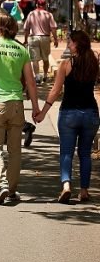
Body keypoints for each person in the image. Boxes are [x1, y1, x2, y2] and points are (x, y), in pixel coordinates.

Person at [0, 14, 40, 205]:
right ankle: (12, 190)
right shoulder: (21, 49)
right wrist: (36, 108)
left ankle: (1, 184)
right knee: (15, 150)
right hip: (17, 103)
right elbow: (31, 82)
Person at [37, 30, 99, 202]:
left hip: (69, 113)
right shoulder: (94, 63)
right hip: (90, 113)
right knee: (85, 153)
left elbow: (56, 91)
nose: (68, 45)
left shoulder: (66, 64)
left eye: (70, 42)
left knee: (66, 152)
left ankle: (66, 185)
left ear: (76, 44)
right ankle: (85, 190)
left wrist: (42, 113)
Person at [22, 0, 58, 84]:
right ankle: (45, 75)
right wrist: (55, 39)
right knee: (45, 58)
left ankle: (37, 76)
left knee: (35, 59)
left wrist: (25, 39)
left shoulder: (31, 14)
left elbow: (26, 28)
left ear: (37, 5)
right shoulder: (49, 14)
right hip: (45, 38)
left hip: (33, 37)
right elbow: (53, 28)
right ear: (45, 5)